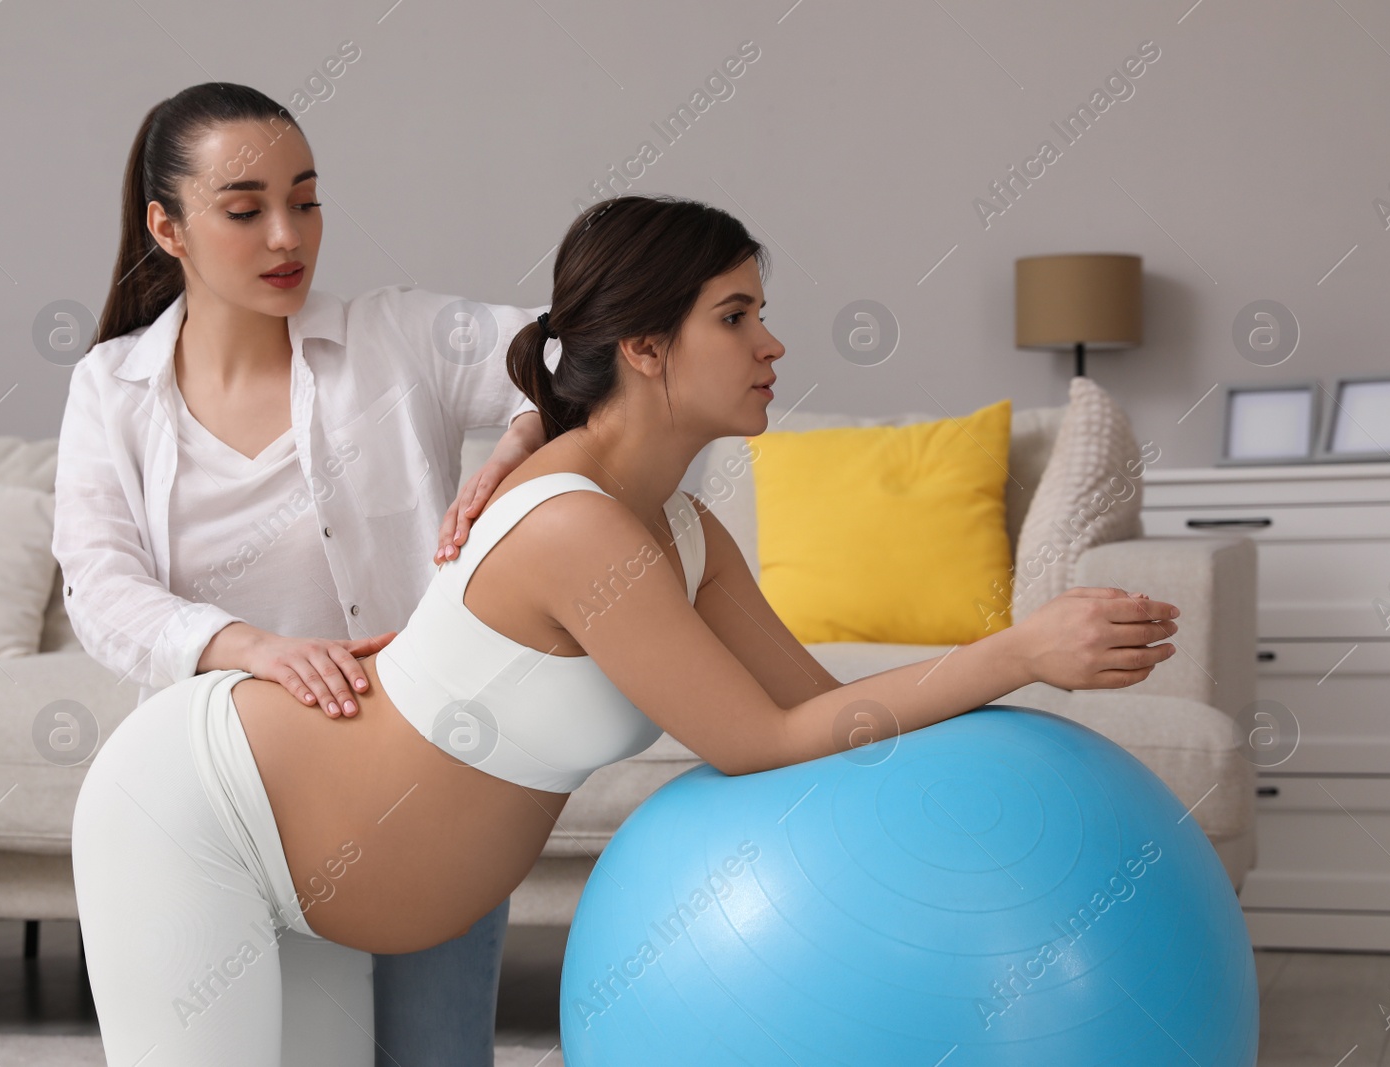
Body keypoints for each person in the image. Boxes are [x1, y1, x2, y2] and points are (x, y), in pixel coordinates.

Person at [70, 193, 1181, 1065]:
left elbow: (813, 711)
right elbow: (753, 742)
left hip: (315, 871)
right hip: (205, 811)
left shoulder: (686, 531)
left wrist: (1012, 668)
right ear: (645, 347)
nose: (773, 345)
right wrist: (1019, 652)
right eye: (736, 316)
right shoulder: (576, 531)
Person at [52, 83, 559, 1065]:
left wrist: (521, 440)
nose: (288, 235)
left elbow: (589, 351)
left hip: (424, 778)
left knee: (436, 1053)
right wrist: (254, 650)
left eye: (307, 199)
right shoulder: (110, 387)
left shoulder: (398, 337)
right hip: (227, 795)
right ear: (169, 227)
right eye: (244, 210)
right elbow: (101, 590)